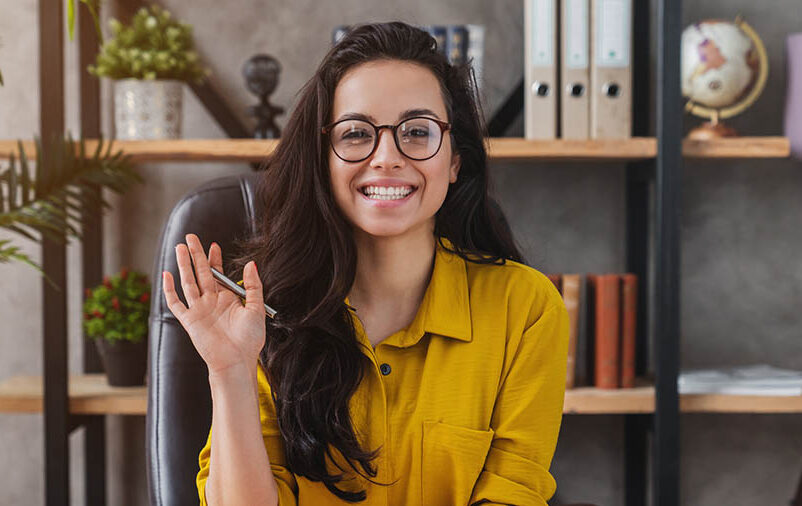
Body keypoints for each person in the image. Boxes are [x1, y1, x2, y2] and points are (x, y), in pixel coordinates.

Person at [161, 21, 569, 506]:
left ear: (455, 160)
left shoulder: (525, 307)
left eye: (417, 131)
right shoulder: (264, 316)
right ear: (323, 158)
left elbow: (513, 493)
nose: (386, 157)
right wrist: (230, 369)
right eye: (356, 134)